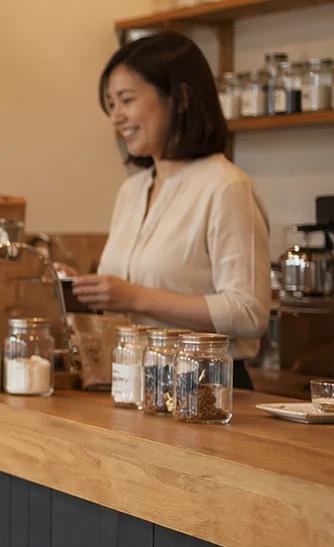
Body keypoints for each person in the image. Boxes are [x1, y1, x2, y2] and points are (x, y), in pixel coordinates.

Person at [79, 31, 271, 389]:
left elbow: (248, 313)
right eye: (111, 104)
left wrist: (136, 297)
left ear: (180, 98)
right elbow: (126, 293)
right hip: (135, 381)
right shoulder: (132, 190)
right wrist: (83, 289)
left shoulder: (226, 186)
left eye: (126, 100)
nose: (116, 117)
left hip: (207, 387)